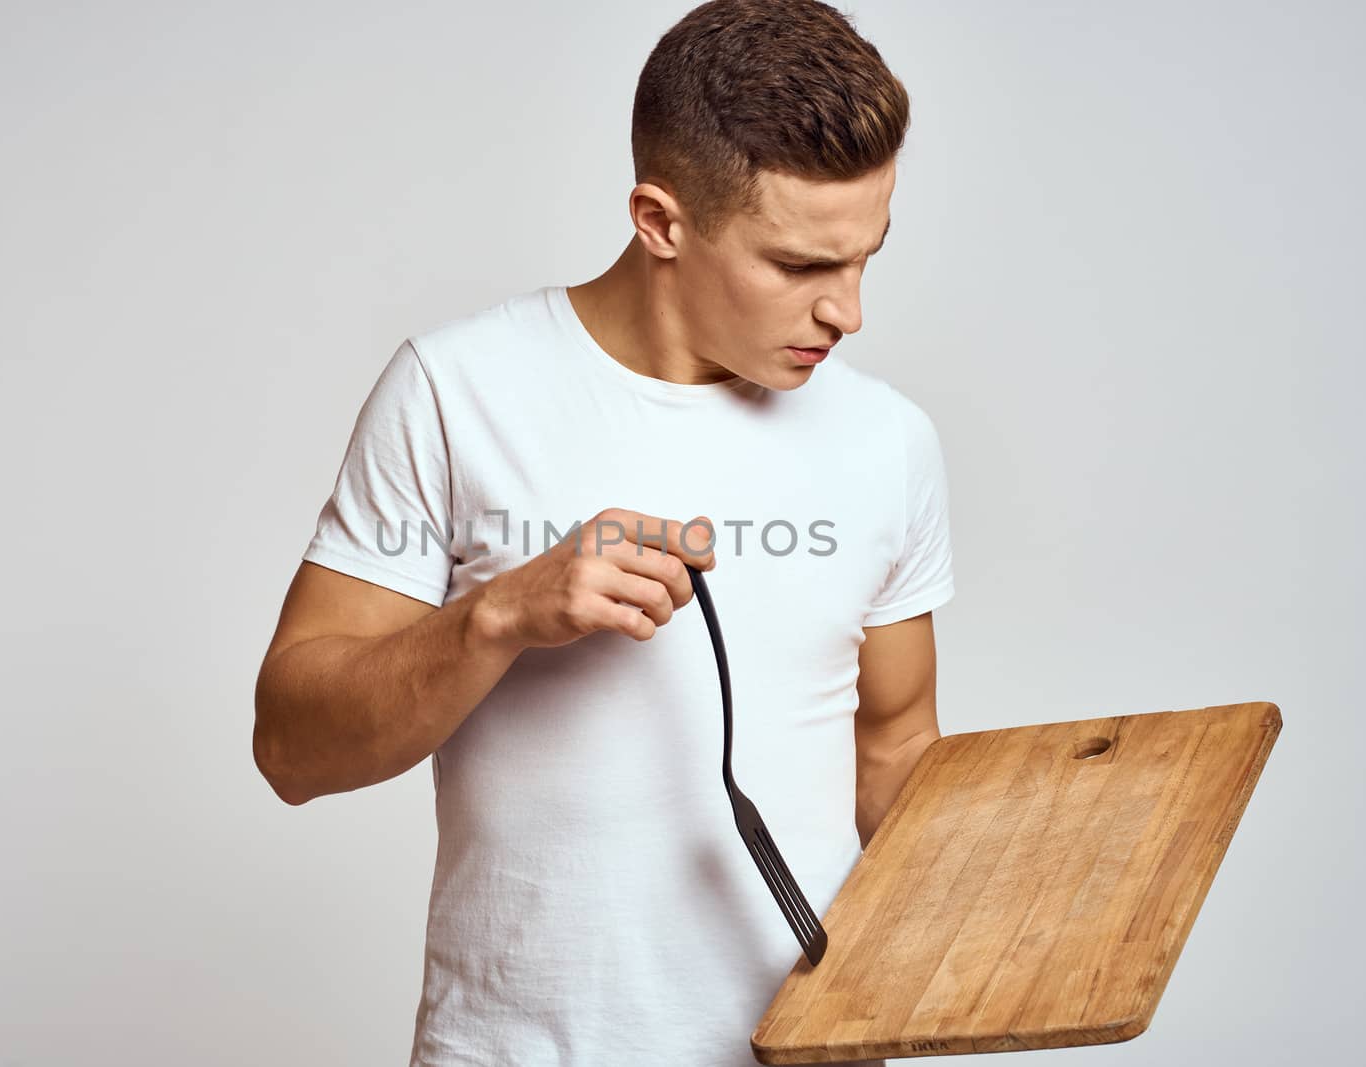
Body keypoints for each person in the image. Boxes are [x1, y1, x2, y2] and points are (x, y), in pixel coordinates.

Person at [253, 1, 954, 1063]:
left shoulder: (886, 439)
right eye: (800, 267)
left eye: (865, 256)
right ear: (660, 220)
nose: (846, 312)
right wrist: (494, 617)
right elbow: (291, 747)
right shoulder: (456, 390)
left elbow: (896, 745)